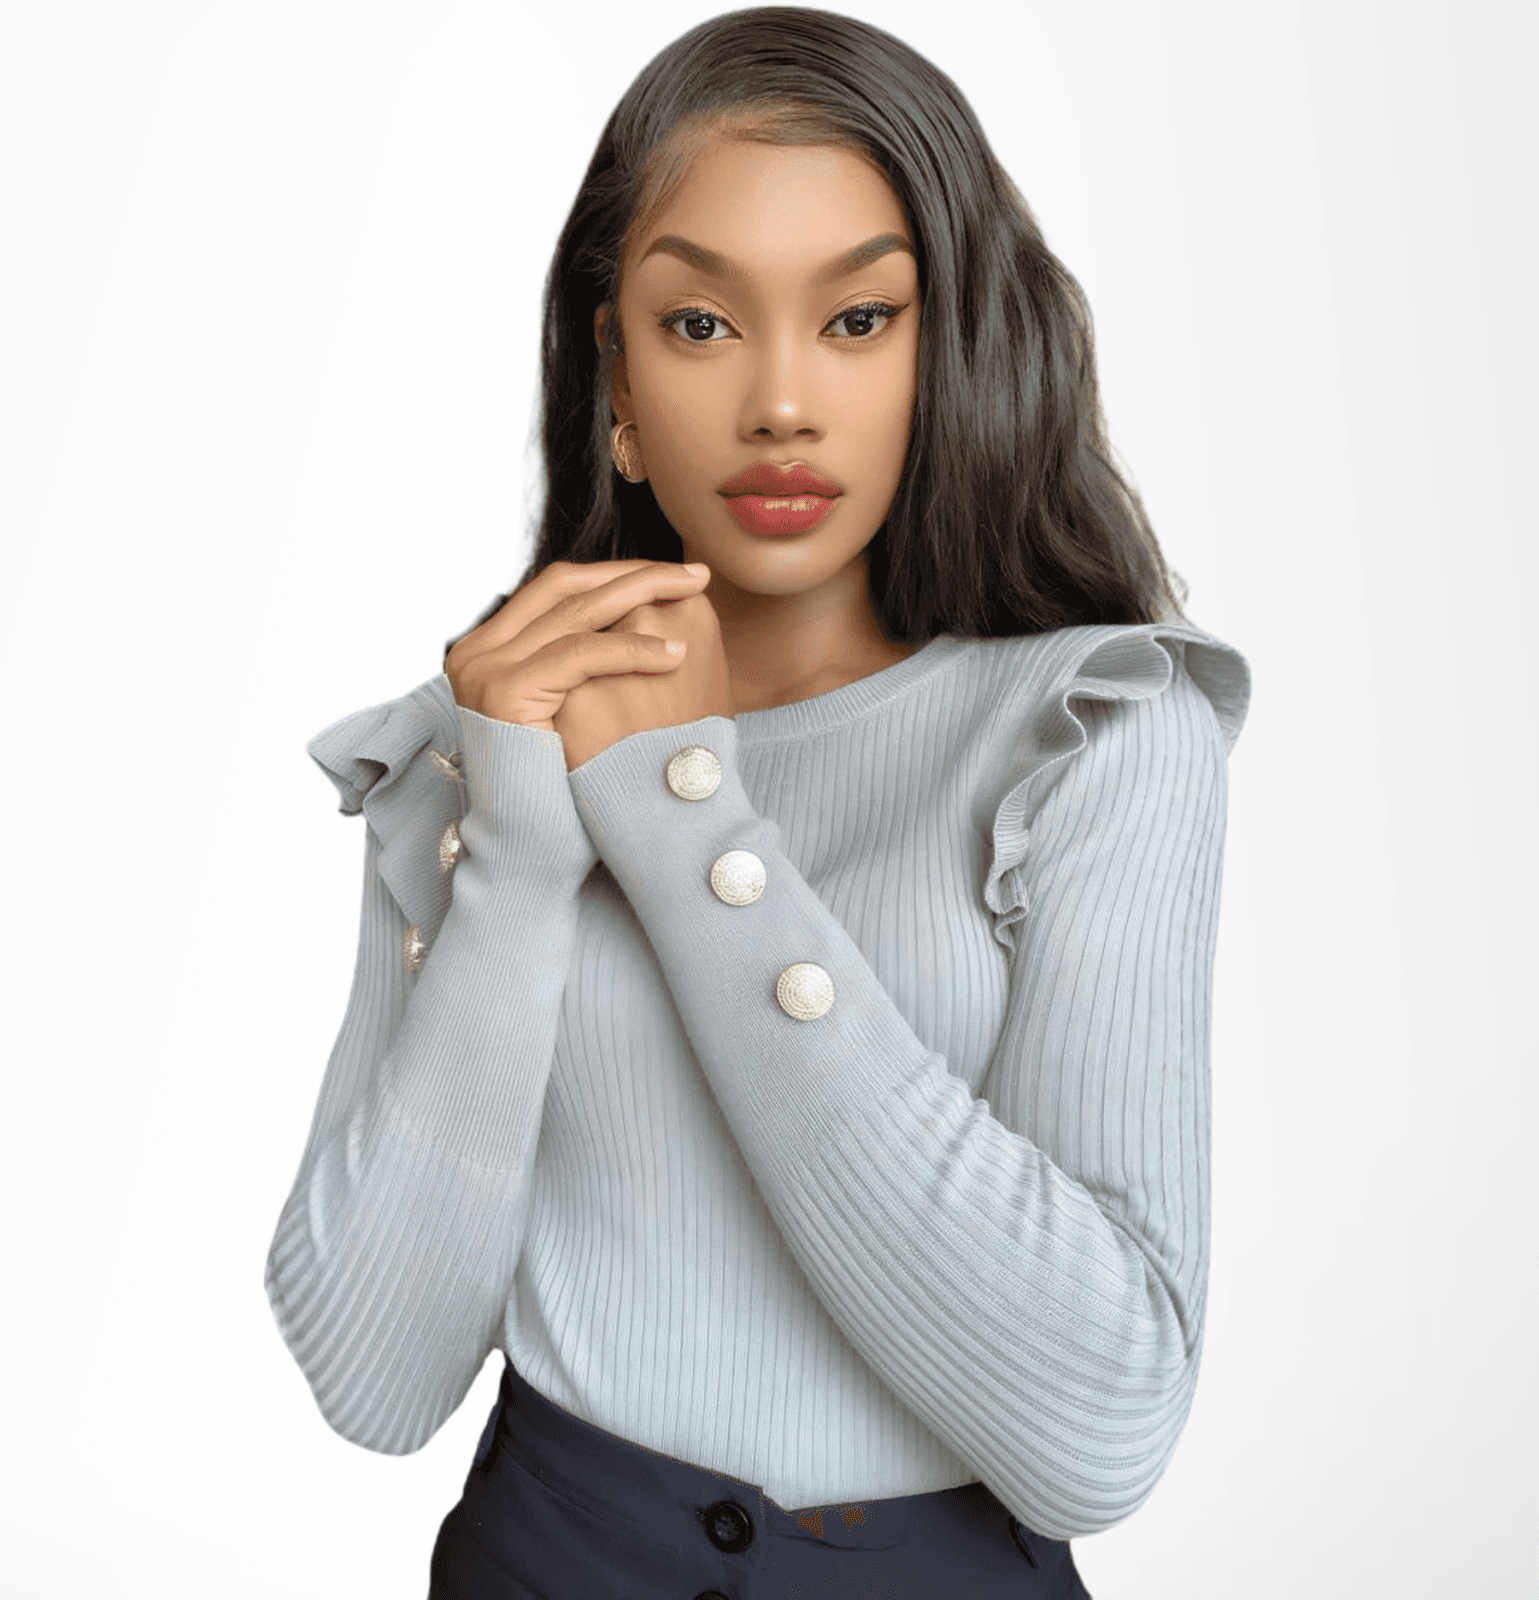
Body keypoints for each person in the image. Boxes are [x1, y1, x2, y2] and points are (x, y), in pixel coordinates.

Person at [265, 8, 1249, 1596]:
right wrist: (518, 843)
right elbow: (375, 1380)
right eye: (703, 325)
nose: (781, 402)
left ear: (951, 353)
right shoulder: (489, 738)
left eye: (858, 320)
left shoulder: (1088, 728)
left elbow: (1096, 1434)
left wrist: (681, 815)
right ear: (617, 377)